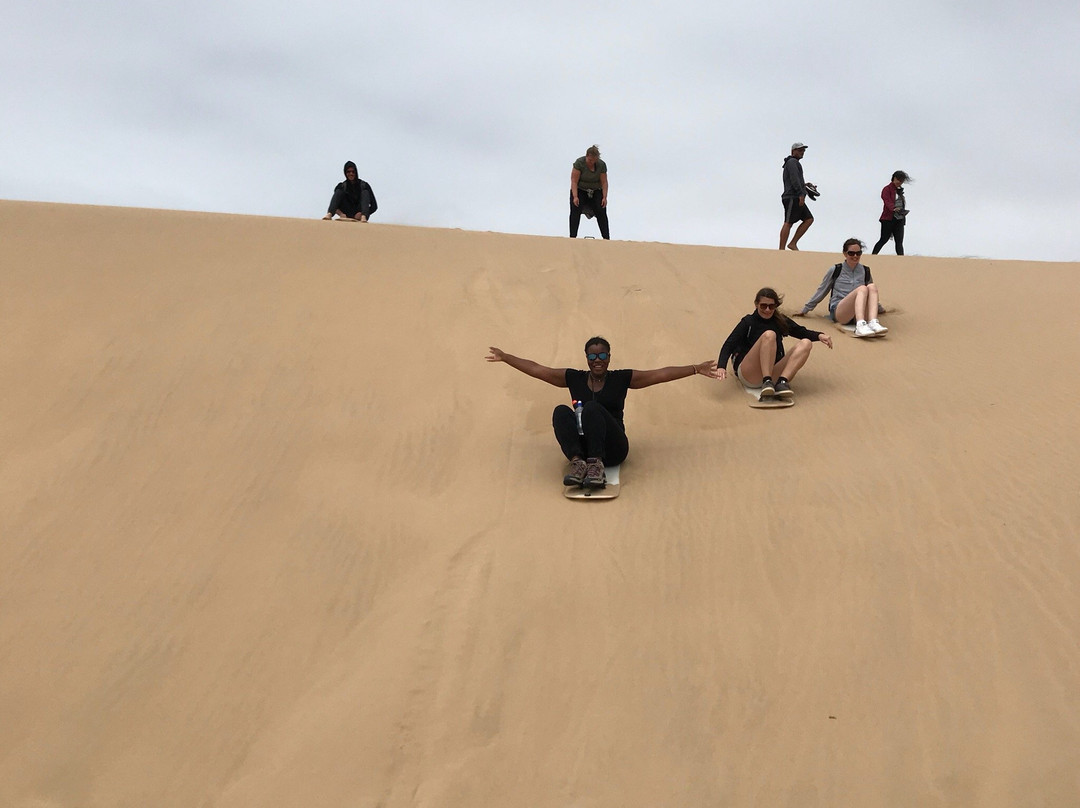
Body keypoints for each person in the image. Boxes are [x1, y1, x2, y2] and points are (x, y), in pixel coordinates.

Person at [486, 338, 719, 488]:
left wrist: (695, 369)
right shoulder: (573, 377)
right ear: (586, 358)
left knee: (592, 407)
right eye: (592, 356)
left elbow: (658, 374)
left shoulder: (621, 378)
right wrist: (507, 358)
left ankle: (596, 466)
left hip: (614, 448)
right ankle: (578, 463)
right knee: (560, 411)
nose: (597, 360)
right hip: (584, 445)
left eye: (602, 356)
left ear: (609, 357)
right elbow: (538, 370)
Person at [717, 288, 832, 399]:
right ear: (756, 304)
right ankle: (767, 381)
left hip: (774, 372)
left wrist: (820, 335)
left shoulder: (780, 320)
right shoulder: (748, 322)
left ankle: (782, 382)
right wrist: (721, 366)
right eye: (763, 306)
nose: (767, 310)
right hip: (750, 373)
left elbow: (801, 332)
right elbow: (729, 344)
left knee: (806, 343)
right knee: (769, 335)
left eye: (771, 306)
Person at [798, 238, 887, 338]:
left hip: (860, 311)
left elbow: (871, 294)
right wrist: (806, 309)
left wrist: (879, 309)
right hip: (841, 311)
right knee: (862, 288)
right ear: (845, 253)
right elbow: (822, 290)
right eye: (851, 253)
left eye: (858, 253)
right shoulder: (836, 269)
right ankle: (860, 326)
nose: (855, 256)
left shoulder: (865, 270)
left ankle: (873, 322)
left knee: (871, 286)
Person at [779, 142, 818, 251]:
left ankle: (793, 243)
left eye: (803, 151)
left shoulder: (793, 163)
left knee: (809, 219)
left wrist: (805, 186)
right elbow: (794, 179)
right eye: (800, 150)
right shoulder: (792, 162)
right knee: (788, 222)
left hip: (795, 195)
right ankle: (781, 250)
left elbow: (795, 180)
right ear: (793, 151)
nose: (802, 152)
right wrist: (801, 193)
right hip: (792, 196)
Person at [569, 145, 609, 239]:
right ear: (586, 156)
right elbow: (574, 181)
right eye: (590, 160)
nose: (592, 162)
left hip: (595, 191)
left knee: (601, 210)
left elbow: (604, 182)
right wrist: (575, 196)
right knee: (575, 209)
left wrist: (604, 197)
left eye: (594, 160)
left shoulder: (601, 165)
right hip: (580, 190)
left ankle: (606, 238)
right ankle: (572, 238)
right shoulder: (579, 163)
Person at [871, 171, 911, 255]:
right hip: (888, 219)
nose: (900, 183)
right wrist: (893, 208)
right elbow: (886, 200)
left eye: (902, 181)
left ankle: (901, 259)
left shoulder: (899, 191)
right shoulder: (887, 189)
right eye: (899, 181)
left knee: (899, 242)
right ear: (895, 178)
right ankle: (873, 256)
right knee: (884, 239)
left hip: (899, 218)